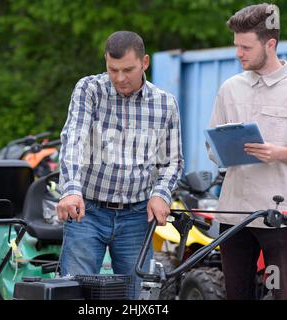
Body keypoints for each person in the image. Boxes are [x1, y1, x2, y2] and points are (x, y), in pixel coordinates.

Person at [207, 3, 287, 300]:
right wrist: (223, 148)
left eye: (246, 47)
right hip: (233, 214)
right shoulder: (230, 88)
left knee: (281, 295)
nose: (238, 53)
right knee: (236, 295)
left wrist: (280, 152)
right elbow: (211, 147)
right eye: (237, 45)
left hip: (279, 218)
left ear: (270, 44)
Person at [57, 30, 184, 298]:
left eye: (128, 69)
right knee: (75, 292)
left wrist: (161, 195)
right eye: (113, 70)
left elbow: (172, 161)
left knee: (135, 295)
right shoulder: (89, 90)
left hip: (137, 217)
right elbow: (73, 140)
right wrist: (70, 189)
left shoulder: (165, 104)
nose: (120, 78)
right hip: (87, 212)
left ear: (144, 63)